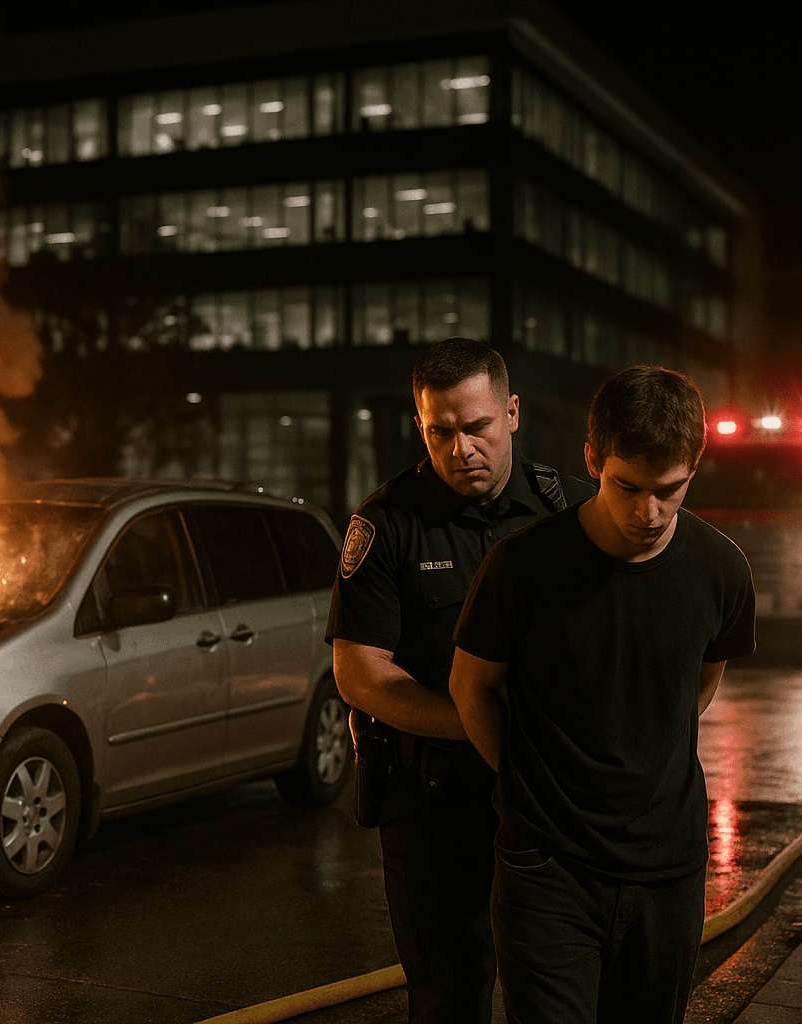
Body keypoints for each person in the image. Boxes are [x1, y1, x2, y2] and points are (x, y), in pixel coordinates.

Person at [449, 365, 756, 1024]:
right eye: (627, 487)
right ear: (592, 459)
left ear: (693, 470)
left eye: (669, 491)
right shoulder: (522, 566)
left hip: (668, 868)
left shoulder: (721, 569)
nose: (648, 513)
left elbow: (699, 679)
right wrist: (529, 778)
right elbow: (470, 688)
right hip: (547, 868)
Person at [325, 336, 594, 1024]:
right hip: (433, 801)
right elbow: (360, 674)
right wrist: (480, 723)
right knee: (449, 997)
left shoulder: (573, 514)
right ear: (420, 425)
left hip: (550, 794)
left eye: (476, 427)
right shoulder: (387, 524)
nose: (459, 449)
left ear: (510, 412)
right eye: (439, 431)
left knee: (562, 988)